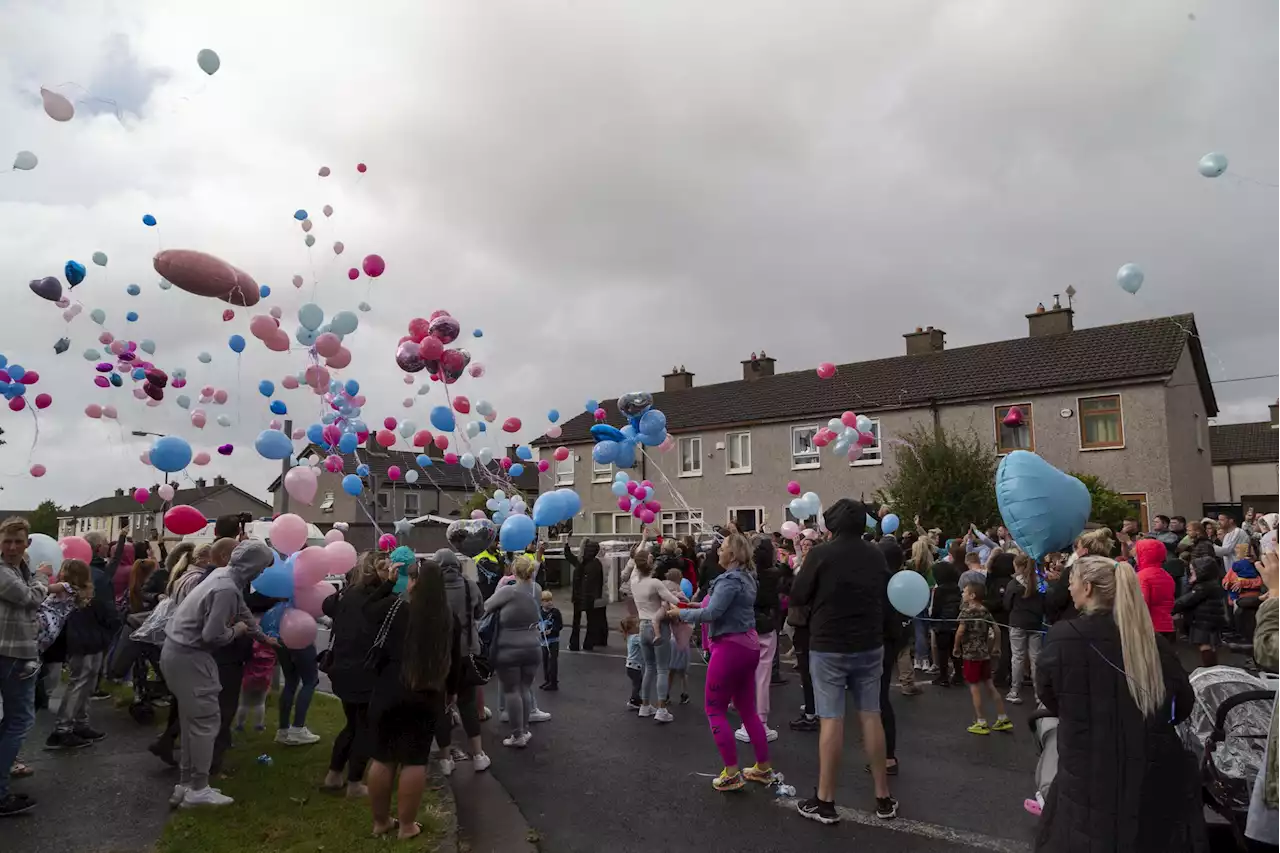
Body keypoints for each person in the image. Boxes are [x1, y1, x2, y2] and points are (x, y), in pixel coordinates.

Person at [1034, 556, 1201, 852]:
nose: (1068, 588)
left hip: (1086, 769)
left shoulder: (1062, 638)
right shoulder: (1150, 642)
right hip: (1150, 771)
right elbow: (1182, 704)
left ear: (1087, 588)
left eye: (1071, 581)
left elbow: (1050, 697)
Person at [787, 500, 896, 823]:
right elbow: (885, 591)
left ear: (831, 526)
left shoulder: (821, 554)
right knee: (871, 716)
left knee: (832, 720)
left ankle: (826, 801)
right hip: (869, 642)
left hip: (829, 645)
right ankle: (883, 797)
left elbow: (797, 595)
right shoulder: (875, 553)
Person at [161, 540, 274, 808]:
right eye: (260, 568)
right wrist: (238, 632)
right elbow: (212, 635)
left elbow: (243, 610)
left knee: (193, 724)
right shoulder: (225, 587)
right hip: (191, 657)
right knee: (205, 723)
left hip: (177, 653)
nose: (261, 574)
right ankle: (198, 789)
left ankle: (186, 784)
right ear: (251, 565)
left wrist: (262, 637)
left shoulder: (222, 576)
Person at [667, 532, 780, 792]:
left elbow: (712, 613)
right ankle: (763, 767)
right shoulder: (747, 578)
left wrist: (681, 613)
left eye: (722, 547)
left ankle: (731, 773)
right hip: (748, 645)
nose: (718, 550)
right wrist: (690, 608)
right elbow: (716, 608)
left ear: (733, 554)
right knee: (747, 709)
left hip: (730, 647)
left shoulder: (729, 580)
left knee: (714, 710)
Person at [363, 557, 458, 841]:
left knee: (382, 757)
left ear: (413, 582)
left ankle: (381, 822)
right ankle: (407, 826)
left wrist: (388, 583)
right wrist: (449, 695)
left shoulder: (395, 609)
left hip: (389, 689)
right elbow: (455, 662)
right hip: (427, 693)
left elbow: (366, 610)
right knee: (414, 760)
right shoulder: (449, 618)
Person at [320, 551, 385, 796]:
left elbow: (327, 605)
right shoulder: (375, 598)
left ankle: (334, 775)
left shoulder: (345, 595)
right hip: (365, 669)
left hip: (342, 667)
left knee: (352, 724)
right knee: (365, 727)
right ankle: (355, 782)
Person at [0, 517, 48, 817]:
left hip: (17, 651)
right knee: (19, 721)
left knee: (11, 721)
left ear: (27, 543)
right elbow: (30, 598)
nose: (13, 546)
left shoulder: (17, 567)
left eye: (19, 541)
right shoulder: (3, 571)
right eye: (7, 541)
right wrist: (43, 578)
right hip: (12, 654)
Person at [45, 558, 116, 749]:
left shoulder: (82, 593)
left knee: (86, 684)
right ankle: (63, 728)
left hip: (87, 642)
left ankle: (79, 723)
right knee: (79, 684)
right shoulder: (67, 592)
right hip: (84, 643)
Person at [433, 549, 487, 772]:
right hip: (466, 652)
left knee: (442, 707)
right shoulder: (469, 585)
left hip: (439, 655)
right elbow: (479, 613)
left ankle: (445, 759)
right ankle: (478, 755)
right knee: (468, 704)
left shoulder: (432, 589)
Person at [484, 555, 543, 748]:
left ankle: (517, 734)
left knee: (511, 691)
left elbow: (487, 606)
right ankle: (524, 730)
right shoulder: (537, 589)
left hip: (508, 647)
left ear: (514, 571)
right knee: (525, 688)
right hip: (533, 645)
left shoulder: (508, 591)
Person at [735, 536, 781, 741]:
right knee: (763, 677)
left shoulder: (742, 576)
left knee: (745, 676)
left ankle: (747, 722)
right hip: (766, 626)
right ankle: (760, 722)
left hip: (745, 627)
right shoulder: (775, 574)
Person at [629, 549, 680, 723]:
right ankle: (661, 709)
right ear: (651, 564)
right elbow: (674, 600)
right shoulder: (655, 583)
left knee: (648, 668)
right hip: (659, 627)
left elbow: (635, 565)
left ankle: (644, 706)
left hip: (643, 626)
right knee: (662, 669)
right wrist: (680, 597)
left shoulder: (634, 581)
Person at [955, 582, 1011, 734]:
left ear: (972, 596)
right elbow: (997, 629)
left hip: (971, 655)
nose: (962, 594)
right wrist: (997, 646)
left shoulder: (966, 612)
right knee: (990, 685)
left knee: (974, 688)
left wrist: (956, 647)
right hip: (984, 654)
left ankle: (981, 721)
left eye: (965, 592)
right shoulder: (985, 611)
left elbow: (960, 632)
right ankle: (1002, 717)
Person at [1003, 554, 1044, 705]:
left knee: (1018, 657)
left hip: (1017, 622)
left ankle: (1015, 690)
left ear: (1019, 567)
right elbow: (1047, 601)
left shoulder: (1013, 584)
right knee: (1036, 658)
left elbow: (1007, 604)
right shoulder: (1040, 583)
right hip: (1036, 623)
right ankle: (1039, 694)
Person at [1174, 556, 1230, 667]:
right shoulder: (1210, 584)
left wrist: (1171, 608)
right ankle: (1212, 667)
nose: (1191, 573)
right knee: (1209, 645)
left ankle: (1209, 668)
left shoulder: (1202, 587)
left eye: (1192, 571)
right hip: (1208, 619)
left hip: (1204, 621)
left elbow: (1187, 600)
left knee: (1205, 645)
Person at [788, 535, 820, 731]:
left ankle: (811, 712)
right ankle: (813, 705)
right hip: (811, 623)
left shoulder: (809, 572)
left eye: (809, 545)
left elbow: (798, 594)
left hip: (806, 623)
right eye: (804, 545)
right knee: (811, 668)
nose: (806, 548)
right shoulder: (806, 567)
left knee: (807, 669)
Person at [1133, 539, 1176, 644]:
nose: (1135, 558)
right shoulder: (1167, 575)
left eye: (1137, 555)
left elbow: (1142, 604)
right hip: (1167, 625)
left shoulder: (1142, 576)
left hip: (1150, 627)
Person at [563, 540, 603, 651]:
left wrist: (567, 545)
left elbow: (569, 557)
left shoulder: (580, 562)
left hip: (578, 596)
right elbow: (599, 582)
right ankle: (588, 644)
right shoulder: (596, 564)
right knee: (591, 622)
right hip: (590, 597)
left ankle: (574, 644)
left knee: (576, 622)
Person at [234, 639, 275, 732]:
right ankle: (258, 725)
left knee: (244, 703)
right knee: (260, 703)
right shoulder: (270, 650)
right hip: (264, 679)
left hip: (249, 677)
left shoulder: (251, 647)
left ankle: (240, 725)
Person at [538, 590, 562, 691]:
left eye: (550, 600)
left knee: (553, 662)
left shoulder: (555, 612)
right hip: (543, 642)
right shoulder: (539, 612)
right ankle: (547, 680)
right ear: (542, 602)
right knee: (545, 661)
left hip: (553, 640)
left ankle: (553, 682)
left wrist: (552, 631)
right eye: (546, 601)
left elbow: (559, 625)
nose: (549, 603)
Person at [622, 616, 643, 709]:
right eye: (637, 625)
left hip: (630, 666)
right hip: (634, 666)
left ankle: (636, 698)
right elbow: (644, 642)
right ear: (632, 628)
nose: (638, 627)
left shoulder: (630, 637)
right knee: (637, 683)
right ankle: (633, 700)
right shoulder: (635, 638)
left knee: (637, 683)